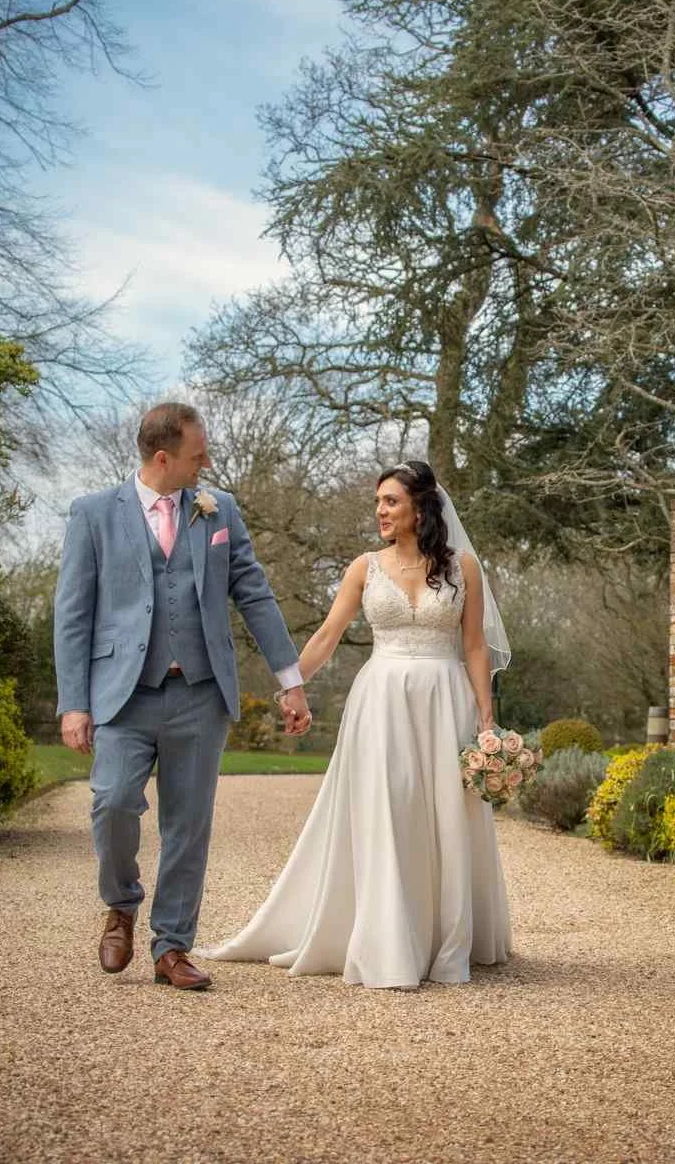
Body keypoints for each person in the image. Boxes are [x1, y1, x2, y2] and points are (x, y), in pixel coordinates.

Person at [201, 460, 512, 988]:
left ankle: (444, 941)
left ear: (421, 506)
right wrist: (291, 685)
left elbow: (475, 645)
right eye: (378, 503)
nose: (381, 512)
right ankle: (389, 940)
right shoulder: (364, 567)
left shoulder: (465, 568)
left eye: (390, 501)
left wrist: (487, 718)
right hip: (382, 703)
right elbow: (326, 635)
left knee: (444, 817)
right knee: (391, 810)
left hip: (445, 700)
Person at [53, 402, 310, 992]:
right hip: (122, 693)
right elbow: (73, 615)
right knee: (113, 802)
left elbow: (256, 594)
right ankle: (120, 905)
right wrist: (74, 701)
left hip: (200, 692)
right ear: (163, 457)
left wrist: (289, 678)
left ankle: (172, 946)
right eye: (199, 455)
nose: (208, 464)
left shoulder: (219, 510)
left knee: (188, 825)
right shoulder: (93, 514)